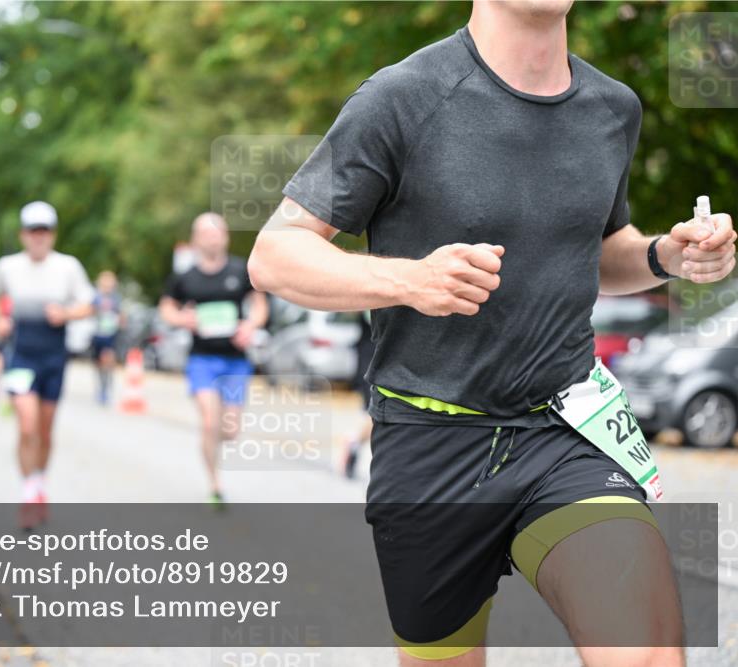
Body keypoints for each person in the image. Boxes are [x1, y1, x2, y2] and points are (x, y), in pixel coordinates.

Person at [247, 1, 736, 665]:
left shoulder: (612, 107)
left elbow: (591, 247)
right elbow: (275, 254)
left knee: (645, 651)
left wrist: (662, 257)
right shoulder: (402, 97)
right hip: (430, 445)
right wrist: (409, 281)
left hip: (565, 430)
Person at [0, 201, 95, 528]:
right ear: (23, 235)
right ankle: (29, 492)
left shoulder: (68, 267)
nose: (38, 237)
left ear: (53, 234)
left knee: (45, 430)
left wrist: (66, 314)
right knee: (27, 423)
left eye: (44, 231)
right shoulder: (7, 267)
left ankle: (39, 483)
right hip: (21, 354)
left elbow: (89, 305)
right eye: (33, 231)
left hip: (53, 355)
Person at [159, 213, 269, 507]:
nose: (211, 237)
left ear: (225, 236)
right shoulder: (186, 278)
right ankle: (214, 483)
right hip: (202, 360)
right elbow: (166, 309)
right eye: (205, 233)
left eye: (216, 231)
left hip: (235, 361)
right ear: (196, 240)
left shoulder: (240, 270)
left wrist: (251, 326)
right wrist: (183, 318)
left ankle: (216, 451)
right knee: (209, 421)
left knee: (230, 431)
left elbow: (259, 306)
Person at [339, 310, 375, 479]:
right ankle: (352, 441)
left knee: (372, 414)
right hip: (371, 360)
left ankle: (353, 442)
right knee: (375, 413)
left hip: (376, 358)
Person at [91, 270, 123, 405]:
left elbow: (121, 314)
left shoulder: (116, 299)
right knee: (98, 363)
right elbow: (89, 311)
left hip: (110, 334)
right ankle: (101, 386)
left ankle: (107, 388)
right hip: (97, 334)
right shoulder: (95, 297)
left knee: (107, 359)